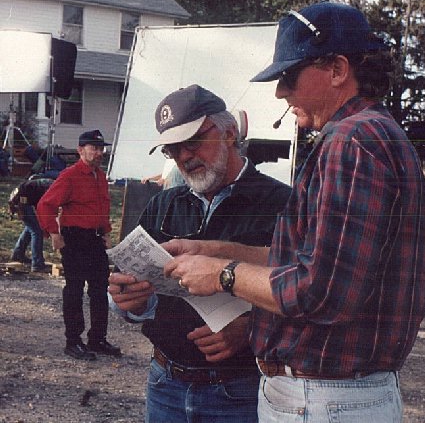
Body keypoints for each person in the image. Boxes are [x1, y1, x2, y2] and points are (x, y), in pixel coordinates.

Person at [162, 3, 425, 422]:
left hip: (325, 399)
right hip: (335, 396)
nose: (280, 92)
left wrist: (223, 274)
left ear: (338, 70)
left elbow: (320, 291)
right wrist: (211, 249)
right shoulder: (370, 133)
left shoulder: (351, 142)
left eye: (288, 77)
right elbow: (308, 259)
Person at [108, 84, 292, 423]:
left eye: (193, 141)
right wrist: (128, 302)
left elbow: (309, 292)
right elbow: (136, 297)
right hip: (165, 383)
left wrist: (251, 330)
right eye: (172, 149)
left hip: (242, 390)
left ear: (230, 133)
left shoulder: (282, 204)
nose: (184, 156)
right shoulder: (161, 205)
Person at [36, 129, 121, 361]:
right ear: (80, 150)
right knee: (74, 291)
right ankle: (73, 341)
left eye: (101, 148)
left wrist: (106, 233)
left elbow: (102, 207)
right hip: (74, 239)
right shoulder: (69, 176)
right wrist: (54, 233)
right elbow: (45, 205)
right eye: (94, 148)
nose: (99, 152)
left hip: (94, 240)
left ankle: (97, 339)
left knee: (99, 290)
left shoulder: (100, 176)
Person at [9, 175, 55, 271]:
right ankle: (37, 264)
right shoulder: (54, 188)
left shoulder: (48, 185)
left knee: (30, 227)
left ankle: (18, 254)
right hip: (21, 200)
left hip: (19, 197)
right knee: (37, 231)